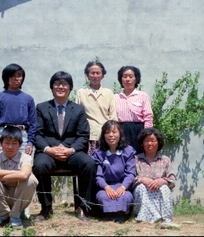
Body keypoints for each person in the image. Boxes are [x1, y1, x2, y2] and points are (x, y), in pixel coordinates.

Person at [32, 71, 96, 222]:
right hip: (48, 151)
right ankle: (46, 207)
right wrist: (49, 150)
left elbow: (83, 135)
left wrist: (70, 150)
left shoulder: (78, 109)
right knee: (39, 165)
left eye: (65, 84)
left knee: (89, 163)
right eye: (57, 83)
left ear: (70, 88)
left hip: (71, 151)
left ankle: (82, 206)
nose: (60, 86)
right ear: (52, 87)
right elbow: (37, 134)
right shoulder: (41, 108)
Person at [0, 126, 38, 228]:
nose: (10, 147)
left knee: (31, 179)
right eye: (7, 143)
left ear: (20, 145)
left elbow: (24, 174)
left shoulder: (26, 158)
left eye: (14, 143)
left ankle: (15, 216)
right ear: (1, 143)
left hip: (19, 197)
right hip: (2, 196)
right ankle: (3, 213)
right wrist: (14, 173)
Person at [91, 120, 136, 223]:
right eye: (107, 132)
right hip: (105, 187)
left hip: (122, 186)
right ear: (103, 135)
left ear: (120, 134)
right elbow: (98, 176)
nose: (111, 135)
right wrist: (106, 188)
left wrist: (123, 187)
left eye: (114, 132)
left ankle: (120, 214)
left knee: (126, 196)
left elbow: (130, 173)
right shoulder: (98, 153)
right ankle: (109, 214)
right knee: (103, 196)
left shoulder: (128, 151)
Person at [0, 63, 37, 155]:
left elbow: (33, 124)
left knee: (22, 165)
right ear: (6, 78)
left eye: (19, 75)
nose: (16, 78)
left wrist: (30, 142)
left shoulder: (28, 99)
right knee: (2, 166)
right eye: (13, 76)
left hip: (22, 136)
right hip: (2, 135)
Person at [132, 127, 176, 223]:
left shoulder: (165, 160)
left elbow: (172, 179)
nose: (149, 144)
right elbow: (130, 178)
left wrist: (163, 181)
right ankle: (144, 218)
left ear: (158, 142)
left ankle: (165, 219)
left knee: (164, 188)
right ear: (142, 143)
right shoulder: (136, 159)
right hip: (143, 193)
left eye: (153, 140)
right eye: (146, 141)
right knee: (142, 188)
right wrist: (142, 179)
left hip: (159, 193)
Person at [75, 60, 118, 155]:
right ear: (87, 75)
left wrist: (112, 133)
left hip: (106, 136)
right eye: (92, 73)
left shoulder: (108, 93)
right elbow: (76, 116)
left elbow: (113, 116)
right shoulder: (81, 93)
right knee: (90, 164)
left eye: (98, 73)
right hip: (88, 136)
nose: (95, 76)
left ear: (103, 75)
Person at [114, 65, 153, 154]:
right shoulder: (115, 97)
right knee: (121, 156)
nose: (128, 79)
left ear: (136, 79)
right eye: (124, 76)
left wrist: (146, 134)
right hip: (121, 131)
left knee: (138, 157)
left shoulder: (143, 96)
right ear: (121, 79)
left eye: (131, 76)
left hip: (138, 131)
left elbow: (148, 117)